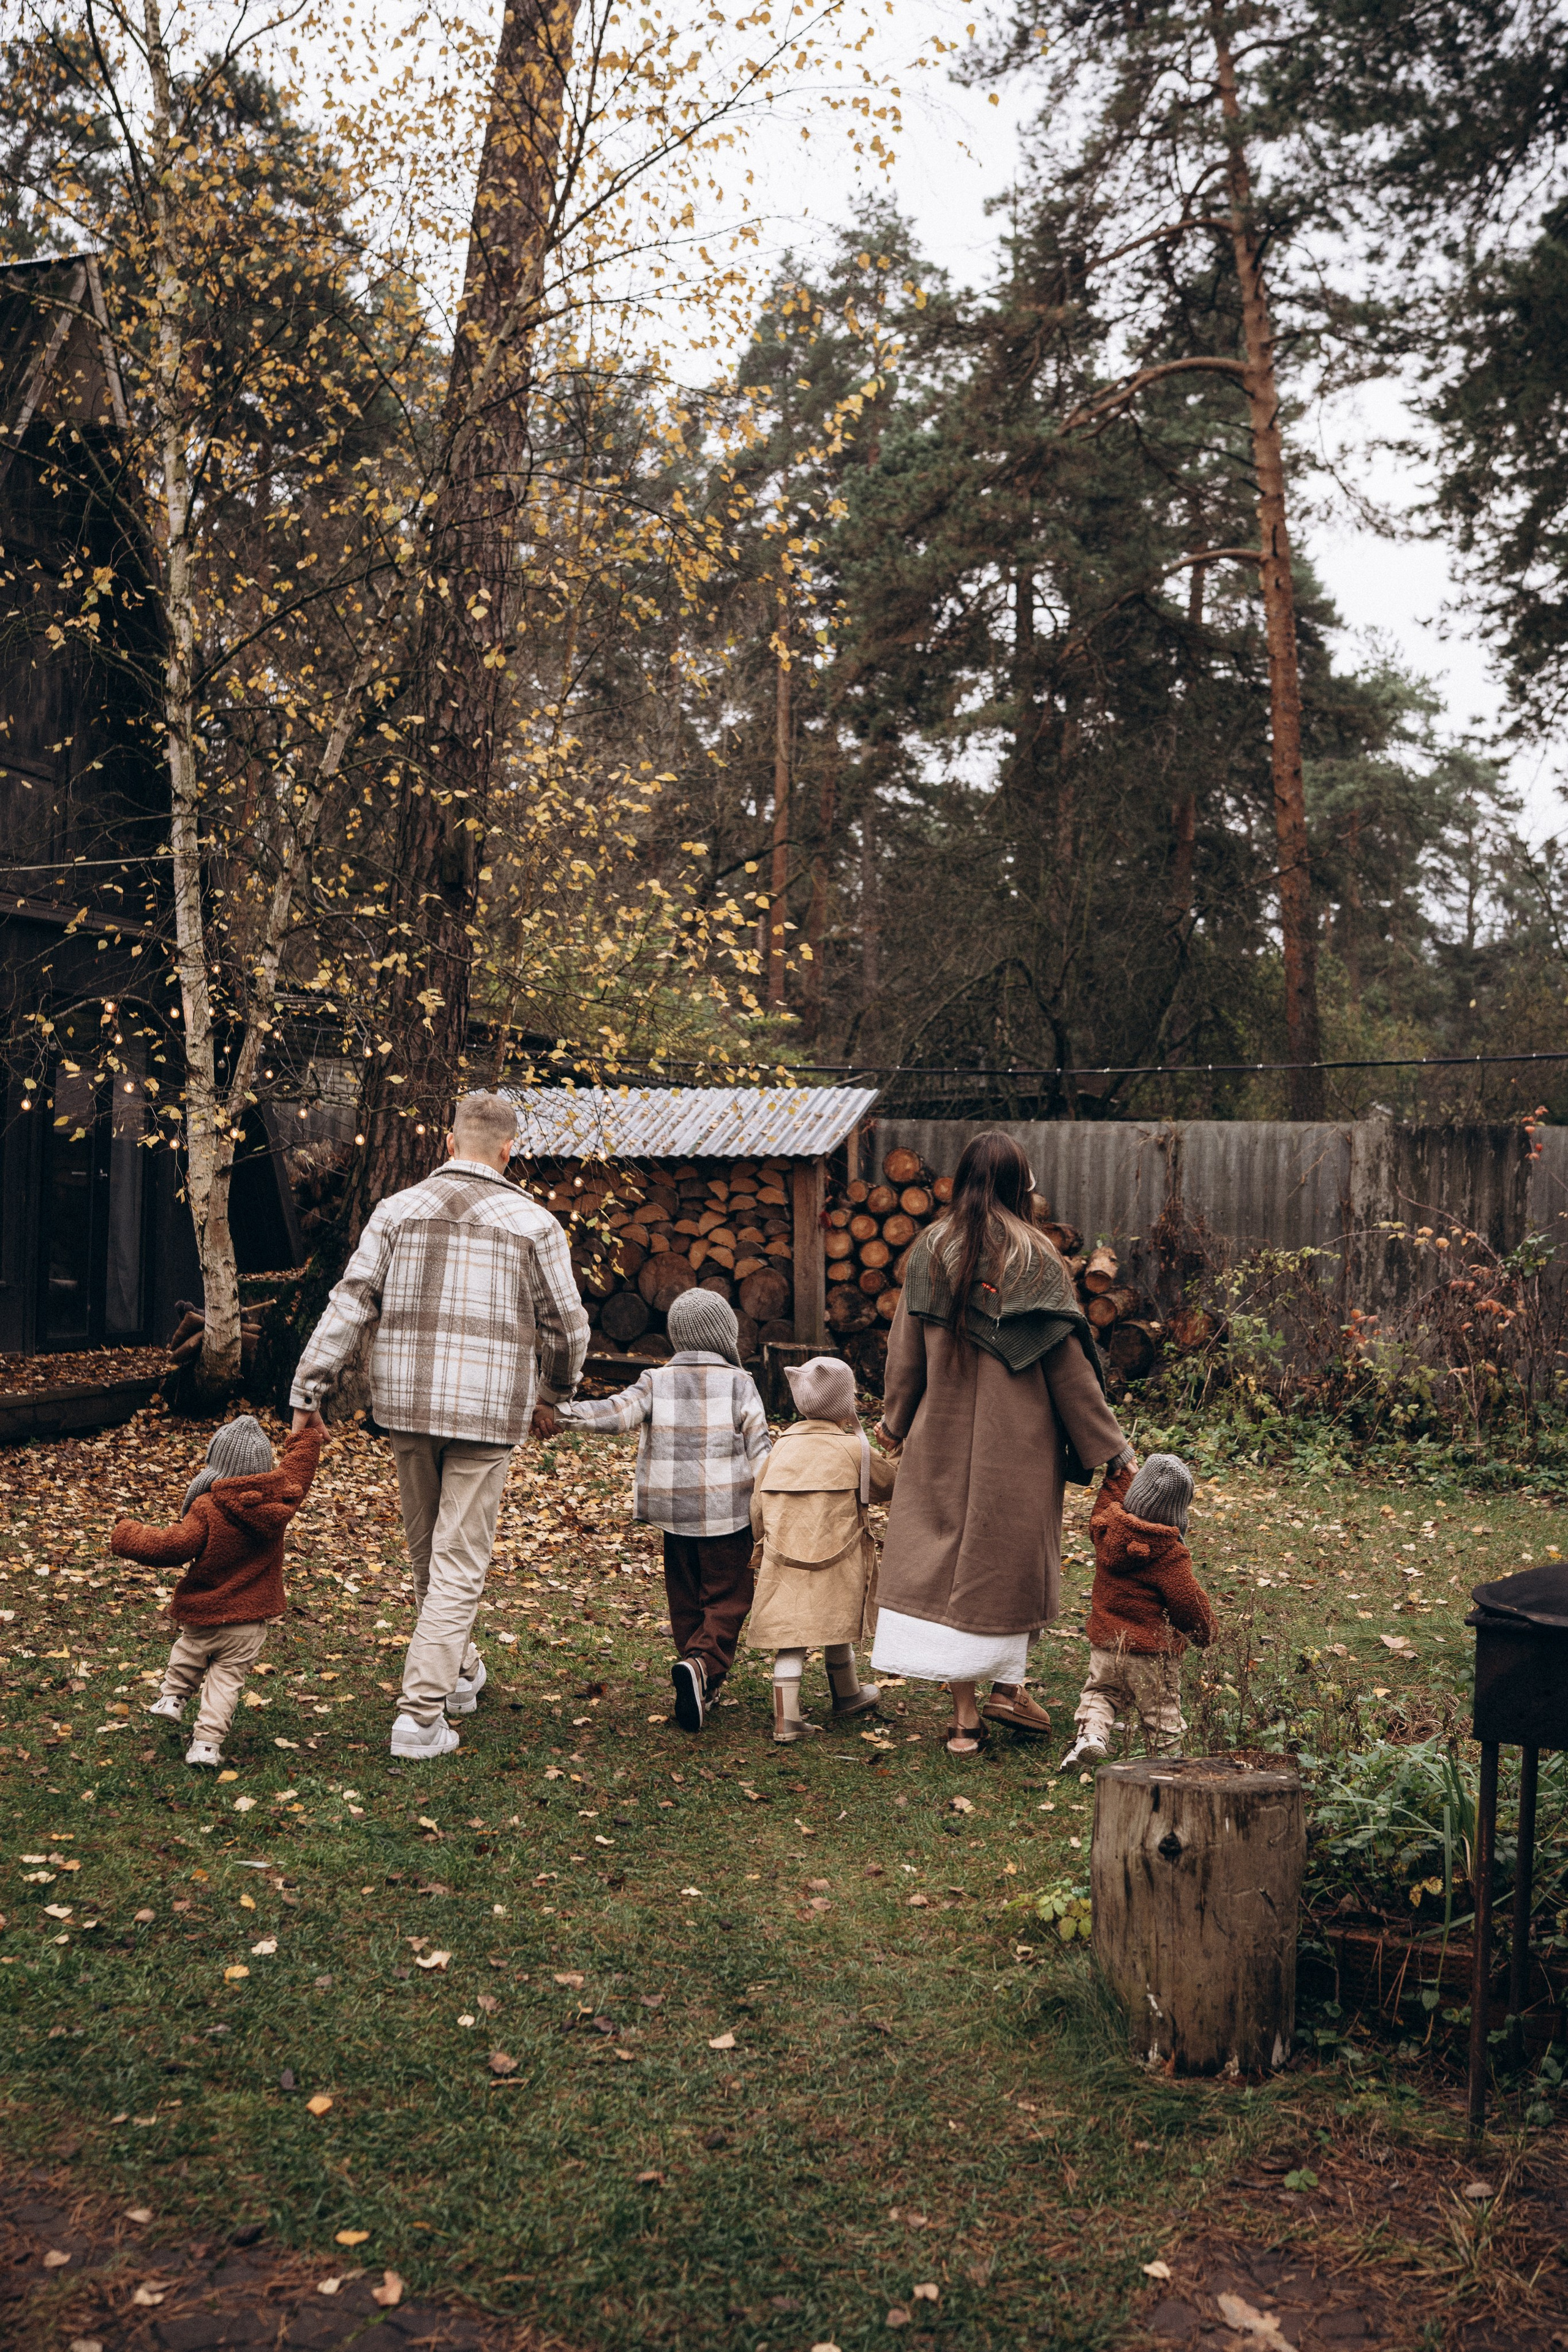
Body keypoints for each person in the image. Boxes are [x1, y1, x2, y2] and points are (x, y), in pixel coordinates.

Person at [290, 1090, 588, 1760]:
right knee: (455, 1561)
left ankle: (456, 1673)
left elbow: (351, 1302)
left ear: (448, 1144)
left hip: (409, 1407)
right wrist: (555, 1392)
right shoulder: (533, 1223)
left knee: (431, 1553)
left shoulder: (395, 1211)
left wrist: (307, 1388)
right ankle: (420, 1717)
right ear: (509, 1151)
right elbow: (567, 1327)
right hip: (488, 1413)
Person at [869, 1131, 1137, 1755]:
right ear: (1021, 1185)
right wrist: (1110, 1448)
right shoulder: (1035, 1258)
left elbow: (905, 1356)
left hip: (939, 1437)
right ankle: (1006, 1688)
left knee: (954, 1568)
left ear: (961, 1180)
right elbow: (1069, 1367)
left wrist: (894, 1421)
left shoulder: (930, 1249)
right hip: (1018, 1444)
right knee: (1007, 1561)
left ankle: (966, 1722)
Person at [559, 1289, 769, 1732]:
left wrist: (562, 1415)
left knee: (686, 1597)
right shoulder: (739, 1382)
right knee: (728, 1597)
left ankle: (698, 1680)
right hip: (726, 1515)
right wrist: (770, 1507)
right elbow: (761, 1451)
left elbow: (615, 1413)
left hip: (675, 1516)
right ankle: (703, 1665)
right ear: (724, 1335)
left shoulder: (655, 1380)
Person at [112, 1414, 322, 1766]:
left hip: (206, 1610)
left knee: (190, 1650)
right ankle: (207, 1746)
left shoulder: (208, 1507)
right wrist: (309, 1436)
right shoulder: (280, 1503)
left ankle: (174, 1697)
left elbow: (173, 1545)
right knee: (226, 1683)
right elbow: (299, 1470)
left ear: (218, 1466)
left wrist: (128, 1535)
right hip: (249, 1621)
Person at [747, 1354, 897, 1743]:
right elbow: (891, 1485)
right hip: (840, 1554)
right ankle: (841, 1694)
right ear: (842, 1404)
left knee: (792, 1632)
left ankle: (796, 1713)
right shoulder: (854, 1449)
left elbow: (757, 1504)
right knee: (836, 1615)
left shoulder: (781, 1448)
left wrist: (761, 1543)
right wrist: (896, 1452)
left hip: (785, 1557)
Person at [1059, 1450, 1216, 1768]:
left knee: (1100, 1693)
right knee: (1161, 1710)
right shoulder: (1170, 1555)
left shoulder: (1104, 1527)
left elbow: (1111, 1498)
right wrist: (1205, 1632)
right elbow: (1188, 1601)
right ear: (1177, 1512)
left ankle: (1091, 1737)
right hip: (1151, 1652)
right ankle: (1170, 1759)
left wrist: (1118, 1472)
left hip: (1106, 1642)